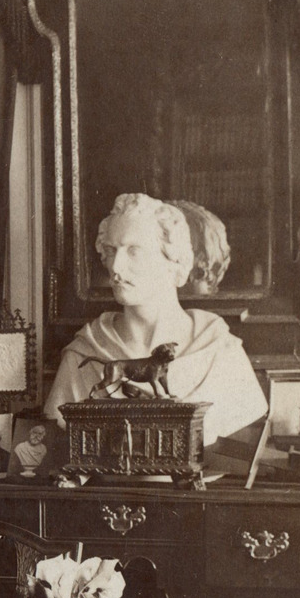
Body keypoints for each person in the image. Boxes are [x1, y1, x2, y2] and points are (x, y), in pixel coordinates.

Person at [42, 192, 268, 450]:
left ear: (173, 261)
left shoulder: (219, 350)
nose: (116, 267)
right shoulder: (87, 348)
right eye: (110, 251)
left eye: (134, 251)